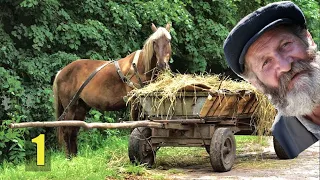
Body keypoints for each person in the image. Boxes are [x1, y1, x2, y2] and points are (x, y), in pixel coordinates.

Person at [223, 1, 320, 158]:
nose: (285, 66)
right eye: (266, 62)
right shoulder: (285, 135)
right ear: (256, 84)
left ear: (308, 39)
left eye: (285, 45)